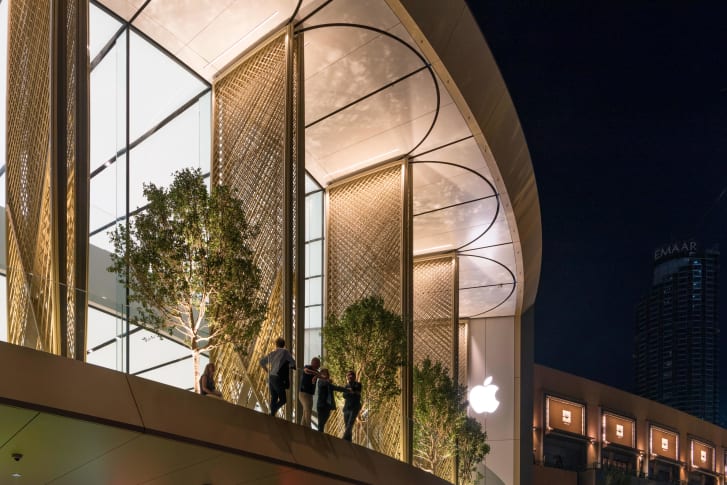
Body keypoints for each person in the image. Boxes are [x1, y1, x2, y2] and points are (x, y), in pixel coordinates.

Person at [259, 337, 296, 416]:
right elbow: (293, 363)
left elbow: (261, 362)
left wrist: (268, 371)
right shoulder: (285, 352)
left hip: (271, 377)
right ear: (284, 344)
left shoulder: (272, 353)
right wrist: (288, 366)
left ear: (276, 344)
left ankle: (272, 414)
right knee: (283, 399)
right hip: (278, 378)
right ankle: (274, 409)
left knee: (274, 397)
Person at [314, 368, 344, 433]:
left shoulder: (329, 384)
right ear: (321, 374)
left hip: (327, 406)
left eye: (327, 374)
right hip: (321, 405)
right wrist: (327, 381)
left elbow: (337, 388)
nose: (326, 375)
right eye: (324, 373)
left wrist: (348, 390)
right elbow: (324, 383)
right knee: (321, 423)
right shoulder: (320, 381)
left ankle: (320, 435)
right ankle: (319, 436)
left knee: (324, 421)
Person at [299, 357, 321, 428]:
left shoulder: (317, 372)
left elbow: (323, 376)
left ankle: (302, 427)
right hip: (304, 394)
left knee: (306, 411)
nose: (319, 365)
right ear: (313, 363)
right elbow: (306, 370)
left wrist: (317, 375)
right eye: (318, 363)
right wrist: (316, 374)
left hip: (310, 395)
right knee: (307, 411)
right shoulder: (308, 367)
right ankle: (309, 428)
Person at [341, 370, 362, 441]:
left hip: (354, 407)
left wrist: (351, 391)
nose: (349, 376)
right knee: (347, 426)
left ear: (354, 376)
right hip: (346, 408)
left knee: (350, 425)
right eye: (348, 375)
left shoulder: (358, 384)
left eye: (351, 375)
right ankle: (348, 442)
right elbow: (344, 395)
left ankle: (343, 439)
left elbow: (357, 392)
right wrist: (351, 392)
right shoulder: (346, 385)